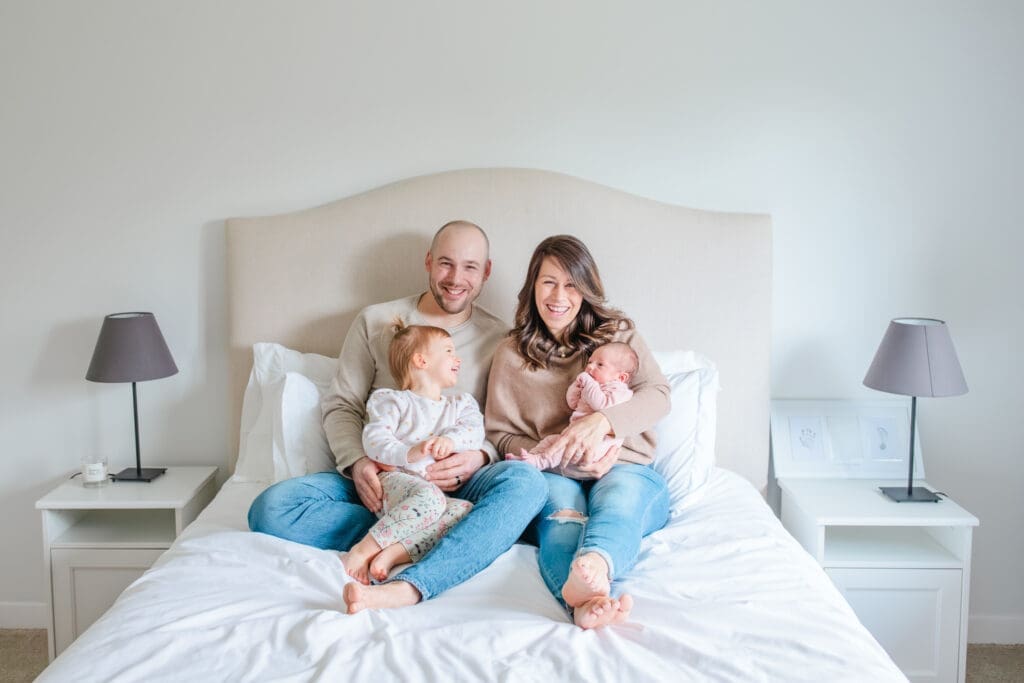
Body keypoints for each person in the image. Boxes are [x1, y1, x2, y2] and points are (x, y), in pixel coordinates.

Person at [247, 220, 547, 614]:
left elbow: (501, 428)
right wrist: (358, 464)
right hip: (385, 478)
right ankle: (432, 532)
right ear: (427, 262)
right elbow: (343, 405)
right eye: (445, 263)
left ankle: (410, 575)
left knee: (527, 483)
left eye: (470, 267)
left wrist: (478, 457)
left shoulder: (500, 338)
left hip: (460, 480)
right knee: (270, 508)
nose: (456, 278)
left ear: (486, 272)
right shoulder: (377, 320)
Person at [485, 234, 672, 630]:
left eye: (571, 284)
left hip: (623, 466)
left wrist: (601, 422)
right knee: (561, 518)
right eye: (548, 281)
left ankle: (596, 566)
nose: (559, 296)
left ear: (586, 290)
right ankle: (583, 603)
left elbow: (658, 396)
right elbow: (500, 434)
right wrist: (562, 450)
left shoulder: (620, 337)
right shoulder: (511, 353)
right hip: (555, 470)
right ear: (532, 286)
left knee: (619, 503)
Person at [343, 322, 482, 585]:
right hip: (396, 484)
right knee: (430, 497)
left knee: (466, 511)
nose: (457, 358)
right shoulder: (394, 402)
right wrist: (409, 452)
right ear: (421, 360)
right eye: (449, 351)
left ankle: (393, 554)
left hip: (431, 499)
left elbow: (475, 432)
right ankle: (362, 550)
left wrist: (450, 441)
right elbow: (374, 440)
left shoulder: (458, 405)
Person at [506, 341, 637, 470]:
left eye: (600, 365)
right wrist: (576, 387)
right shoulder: (593, 386)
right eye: (590, 362)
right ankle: (530, 458)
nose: (590, 367)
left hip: (597, 445)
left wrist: (587, 382)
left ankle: (540, 462)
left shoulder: (619, 391)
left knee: (561, 448)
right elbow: (573, 403)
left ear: (621, 377)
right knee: (550, 441)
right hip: (576, 437)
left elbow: (601, 405)